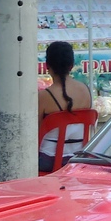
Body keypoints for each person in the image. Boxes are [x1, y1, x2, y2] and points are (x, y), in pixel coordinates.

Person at [38, 41, 93, 173]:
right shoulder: (86, 91)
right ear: (71, 65)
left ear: (47, 66)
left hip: (48, 161)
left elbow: (33, 133)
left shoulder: (44, 96)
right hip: (78, 158)